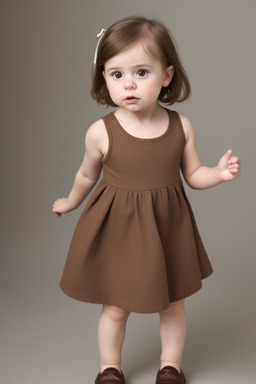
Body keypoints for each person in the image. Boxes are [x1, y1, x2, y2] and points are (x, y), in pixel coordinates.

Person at [52, 16, 241, 384]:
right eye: (116, 74)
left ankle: (170, 365)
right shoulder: (100, 132)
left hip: (167, 227)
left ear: (166, 76)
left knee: (172, 305)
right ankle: (110, 367)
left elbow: (194, 175)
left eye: (142, 71)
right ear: (104, 78)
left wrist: (218, 174)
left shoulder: (181, 126)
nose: (129, 84)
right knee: (116, 306)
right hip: (119, 230)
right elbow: (87, 175)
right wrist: (70, 200)